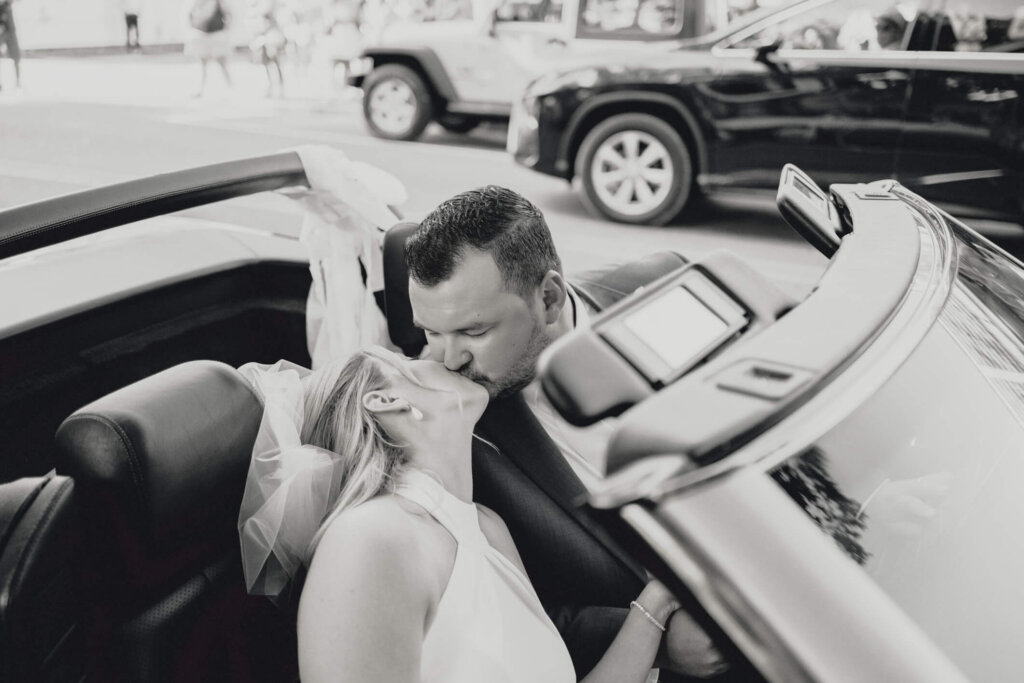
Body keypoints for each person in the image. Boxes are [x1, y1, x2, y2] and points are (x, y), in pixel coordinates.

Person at [403, 186, 728, 679]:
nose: (449, 361)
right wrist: (660, 640)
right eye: (430, 332)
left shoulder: (667, 283)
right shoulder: (447, 430)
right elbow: (507, 614)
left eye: (473, 332)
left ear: (549, 298)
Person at [239, 347, 684, 682]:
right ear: (385, 400)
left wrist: (662, 597)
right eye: (411, 358)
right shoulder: (371, 537)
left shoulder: (488, 527)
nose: (445, 355)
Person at [186, 0, 234, 97]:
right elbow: (189, 13)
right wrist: (191, 30)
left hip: (216, 35)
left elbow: (229, 14)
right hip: (201, 34)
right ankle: (199, 89)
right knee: (201, 64)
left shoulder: (219, 1)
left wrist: (226, 31)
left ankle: (230, 88)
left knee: (222, 64)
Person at [0, 0, 21, 92]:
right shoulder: (3, 7)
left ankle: (17, 82)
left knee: (16, 57)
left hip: (10, 33)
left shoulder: (9, 6)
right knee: (16, 57)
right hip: (5, 33)